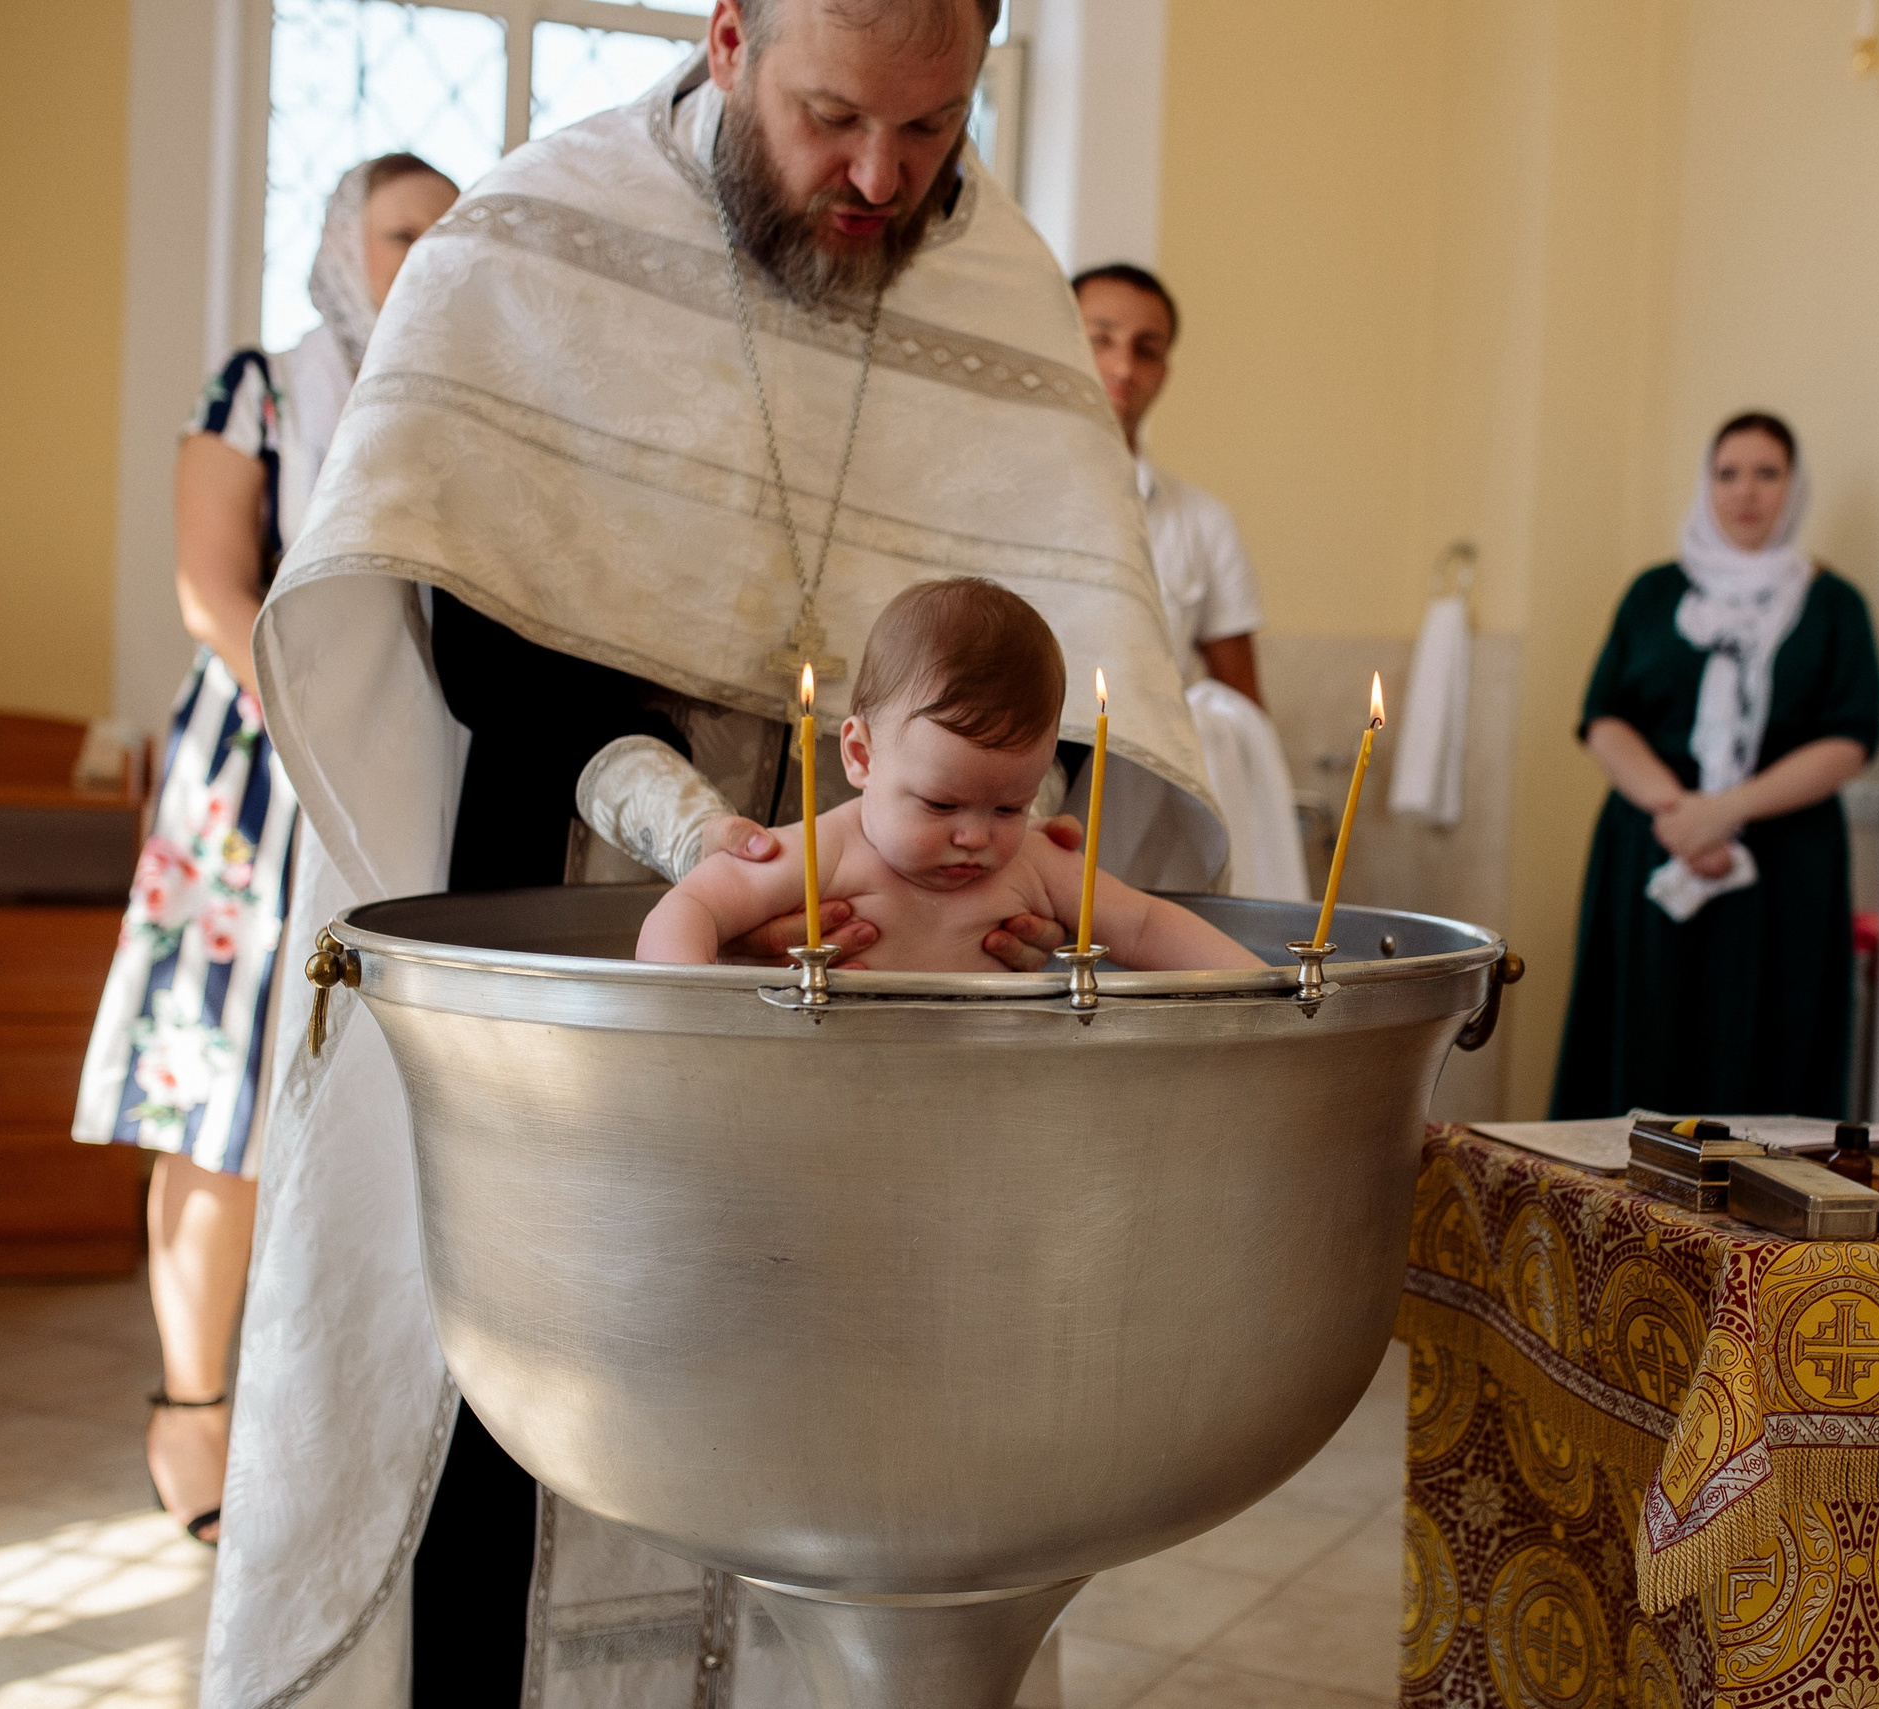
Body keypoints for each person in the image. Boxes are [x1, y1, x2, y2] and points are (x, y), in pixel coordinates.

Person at [219, 3, 1225, 1703]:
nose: (880, 175)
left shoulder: (1001, 299)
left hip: (886, 1034)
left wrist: (997, 889)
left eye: (933, 127)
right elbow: (474, 638)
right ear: (733, 35)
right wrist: (695, 835)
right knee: (530, 1399)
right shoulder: (540, 237)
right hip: (572, 920)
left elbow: (1055, 700)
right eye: (836, 115)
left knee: (856, 1421)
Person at [70, 154, 458, 1548]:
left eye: (450, 235)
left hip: (408, 773)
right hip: (262, 766)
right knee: (217, 1094)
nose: (428, 254)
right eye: (403, 231)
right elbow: (208, 585)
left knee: (374, 1100)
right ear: (342, 246)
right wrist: (324, 719)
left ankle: (341, 1412)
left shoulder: (466, 409)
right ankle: (194, 1412)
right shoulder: (261, 383)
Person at [642, 579, 1259, 969]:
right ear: (860, 756)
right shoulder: (822, 854)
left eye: (1009, 808)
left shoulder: (1036, 866)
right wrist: (690, 1010)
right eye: (940, 805)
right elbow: (692, 906)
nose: (975, 836)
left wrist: (1263, 993)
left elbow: (1147, 926)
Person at [1549, 412, 1879, 1120]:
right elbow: (1605, 717)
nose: (1746, 493)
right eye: (1728, 474)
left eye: (1767, 473)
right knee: (1641, 1037)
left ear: (1794, 486)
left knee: (1771, 1044)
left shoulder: (1833, 605)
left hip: (1781, 859)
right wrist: (1679, 813)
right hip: (1653, 843)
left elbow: (1851, 737)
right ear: (1708, 484)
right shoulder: (1654, 593)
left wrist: (1722, 813)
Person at [1074, 261, 1311, 901]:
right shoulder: (998, 499)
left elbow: (1244, 709)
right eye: (1100, 338)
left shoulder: (1202, 522)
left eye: (1145, 349)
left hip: (1156, 817)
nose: (1123, 367)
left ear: (1164, 371)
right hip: (1020, 803)